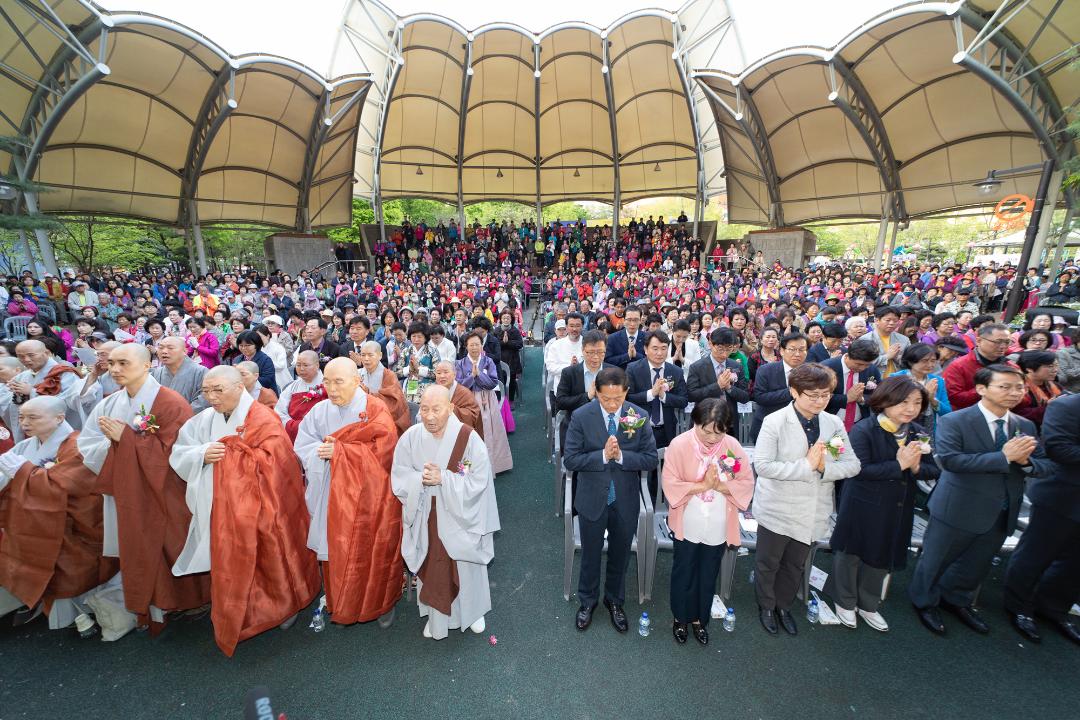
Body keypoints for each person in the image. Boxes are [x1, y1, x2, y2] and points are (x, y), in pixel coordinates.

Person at [169, 366, 319, 656]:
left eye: (218, 390)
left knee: (272, 554)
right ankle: (237, 610)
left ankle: (284, 606)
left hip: (263, 505)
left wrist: (233, 455)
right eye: (206, 391)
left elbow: (278, 462)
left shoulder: (263, 418)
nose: (211, 398)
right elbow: (181, 450)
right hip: (220, 505)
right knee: (229, 557)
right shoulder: (203, 420)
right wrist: (203, 454)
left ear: (240, 388)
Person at [909, 364, 1053, 637]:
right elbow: (951, 461)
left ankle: (957, 600)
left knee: (978, 561)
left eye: (1019, 387)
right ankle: (924, 601)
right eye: (1004, 386)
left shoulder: (1024, 425)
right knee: (937, 559)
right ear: (981, 389)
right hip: (959, 505)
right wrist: (1004, 457)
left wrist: (1025, 462)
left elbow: (1044, 466)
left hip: (1002, 507)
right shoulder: (957, 420)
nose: (1013, 393)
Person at [77, 344, 210, 636]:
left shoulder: (170, 402)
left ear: (147, 365)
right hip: (130, 490)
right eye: (111, 363)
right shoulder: (110, 403)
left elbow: (179, 451)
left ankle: (191, 600)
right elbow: (88, 445)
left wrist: (126, 439)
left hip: (166, 490)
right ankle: (156, 602)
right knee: (139, 544)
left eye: (123, 363)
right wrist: (121, 442)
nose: (114, 369)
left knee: (173, 542)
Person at [752, 363, 860, 636]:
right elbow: (763, 466)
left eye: (825, 395)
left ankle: (784, 605)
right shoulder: (775, 421)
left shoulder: (832, 423)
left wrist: (824, 468)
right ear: (794, 392)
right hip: (778, 505)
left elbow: (850, 464)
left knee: (795, 563)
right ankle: (766, 605)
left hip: (812, 507)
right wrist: (806, 466)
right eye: (813, 395)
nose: (820, 401)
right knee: (769, 562)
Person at [294, 357, 401, 627]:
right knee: (336, 546)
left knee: (374, 548)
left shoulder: (375, 409)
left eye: (338, 381)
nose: (331, 388)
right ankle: (340, 601)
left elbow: (385, 452)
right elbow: (303, 444)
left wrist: (341, 453)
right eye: (327, 381)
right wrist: (324, 454)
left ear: (357, 381)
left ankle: (381, 604)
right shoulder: (319, 411)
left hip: (370, 495)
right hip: (331, 493)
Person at [827, 376, 940, 631]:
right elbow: (859, 468)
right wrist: (898, 465)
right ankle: (845, 601)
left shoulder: (918, 433)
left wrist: (917, 466)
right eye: (903, 402)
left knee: (881, 554)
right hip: (862, 502)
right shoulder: (865, 429)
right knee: (851, 552)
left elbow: (932, 469)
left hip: (897, 505)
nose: (910, 409)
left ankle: (868, 603)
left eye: (916, 403)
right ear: (885, 401)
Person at [0, 396, 118, 634]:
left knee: (63, 555)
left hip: (75, 520)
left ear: (59, 418)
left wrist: (24, 472)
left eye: (33, 417)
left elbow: (74, 485)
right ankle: (69, 612)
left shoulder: (77, 444)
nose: (25, 423)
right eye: (22, 417)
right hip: (39, 518)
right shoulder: (25, 446)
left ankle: (88, 608)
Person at [392, 385, 500, 640]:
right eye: (425, 409)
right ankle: (435, 616)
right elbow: (399, 475)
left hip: (460, 515)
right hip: (426, 514)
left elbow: (477, 479)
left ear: (450, 409)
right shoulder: (411, 437)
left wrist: (445, 479)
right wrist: (420, 480)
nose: (429, 416)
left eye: (436, 409)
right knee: (432, 563)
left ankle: (473, 612)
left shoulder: (467, 438)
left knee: (466, 566)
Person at [563, 367, 658, 633]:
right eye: (606, 399)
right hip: (592, 496)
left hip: (625, 498)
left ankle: (614, 600)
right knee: (590, 553)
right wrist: (603, 456)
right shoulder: (582, 416)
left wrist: (622, 458)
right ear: (597, 392)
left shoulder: (638, 416)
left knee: (620, 553)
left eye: (618, 399)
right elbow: (570, 459)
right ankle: (587, 601)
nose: (613, 405)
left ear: (626, 392)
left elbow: (650, 459)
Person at [661, 398, 754, 646]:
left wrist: (720, 486)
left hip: (718, 520)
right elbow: (669, 482)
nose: (713, 438)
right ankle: (680, 618)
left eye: (719, 432)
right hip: (688, 517)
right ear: (696, 422)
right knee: (684, 569)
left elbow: (746, 481)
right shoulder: (679, 445)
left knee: (708, 571)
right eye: (707, 431)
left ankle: (700, 620)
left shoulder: (732, 447)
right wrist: (702, 486)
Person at [1003, 393, 1080, 645]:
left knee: (1074, 563)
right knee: (1036, 554)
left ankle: (1054, 608)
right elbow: (1058, 448)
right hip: (1062, 495)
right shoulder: (1066, 405)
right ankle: (1019, 606)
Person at [6, 339, 86, 441]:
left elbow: (71, 402)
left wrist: (32, 392)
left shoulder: (64, 373)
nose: (26, 359)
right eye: (21, 356)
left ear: (46, 353)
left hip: (60, 430)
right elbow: (14, 405)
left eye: (31, 355)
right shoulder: (22, 376)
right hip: (32, 430)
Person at [456, 332, 512, 474]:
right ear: (466, 346)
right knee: (468, 434)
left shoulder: (488, 361)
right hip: (467, 401)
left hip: (487, 399)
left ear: (482, 346)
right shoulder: (460, 363)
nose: (474, 348)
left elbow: (493, 382)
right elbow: (460, 386)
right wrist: (472, 377)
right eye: (471, 345)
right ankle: (467, 469)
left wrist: (479, 375)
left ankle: (493, 466)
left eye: (477, 344)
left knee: (489, 432)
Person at [627, 331, 688, 452]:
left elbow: (683, 401)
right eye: (655, 348)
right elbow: (627, 398)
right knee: (641, 468)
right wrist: (651, 394)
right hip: (639, 429)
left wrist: (664, 396)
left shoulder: (676, 371)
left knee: (662, 467)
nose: (659, 353)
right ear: (645, 349)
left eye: (664, 348)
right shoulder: (633, 369)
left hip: (665, 430)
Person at [554, 330, 612, 451]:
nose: (596, 357)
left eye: (601, 352)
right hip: (577, 428)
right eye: (590, 352)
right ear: (582, 350)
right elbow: (560, 402)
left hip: (608, 427)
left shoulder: (613, 373)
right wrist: (587, 396)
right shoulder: (569, 372)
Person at [750, 332, 809, 441]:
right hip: (767, 428)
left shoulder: (811, 373)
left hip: (799, 429)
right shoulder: (766, 370)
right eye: (792, 349)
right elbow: (759, 397)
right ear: (782, 351)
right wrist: (790, 392)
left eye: (801, 350)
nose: (797, 354)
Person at [686, 326, 750, 423]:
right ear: (710, 344)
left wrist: (729, 388)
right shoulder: (697, 367)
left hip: (729, 421)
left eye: (729, 349)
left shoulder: (736, 366)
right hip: (704, 420)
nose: (724, 354)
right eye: (720, 349)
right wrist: (718, 386)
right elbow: (691, 395)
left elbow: (745, 397)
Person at [942, 322, 1011, 410]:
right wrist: (987, 388)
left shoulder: (1010, 366)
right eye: (997, 342)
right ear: (978, 341)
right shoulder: (959, 366)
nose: (1003, 346)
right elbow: (954, 398)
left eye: (1007, 342)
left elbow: (1024, 398)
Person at [823, 338, 882, 434]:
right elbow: (816, 396)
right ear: (848, 356)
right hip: (830, 423)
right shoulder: (827, 368)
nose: (863, 368)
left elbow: (878, 395)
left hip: (859, 424)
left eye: (867, 365)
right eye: (858, 364)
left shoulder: (872, 369)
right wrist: (847, 398)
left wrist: (862, 399)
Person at [358, 340, 411, 435]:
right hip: (359, 418)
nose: (366, 359)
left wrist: (368, 394)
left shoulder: (388, 375)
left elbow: (395, 403)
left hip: (383, 422)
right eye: (363, 355)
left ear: (380, 355)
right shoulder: (357, 373)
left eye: (370, 355)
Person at [274, 350, 324, 441]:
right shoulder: (293, 386)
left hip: (318, 433)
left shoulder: (326, 386)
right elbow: (279, 411)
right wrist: (292, 425)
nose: (301, 369)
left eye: (305, 365)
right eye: (298, 365)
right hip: (293, 430)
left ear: (317, 365)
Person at [151, 336, 208, 412]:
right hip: (161, 420)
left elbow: (205, 399)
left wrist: (180, 416)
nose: (164, 351)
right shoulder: (156, 373)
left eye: (170, 348)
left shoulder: (201, 372)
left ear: (184, 351)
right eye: (160, 348)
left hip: (191, 420)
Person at [433, 361, 483, 439]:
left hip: (459, 436)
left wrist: (451, 410)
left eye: (446, 372)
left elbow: (473, 416)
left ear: (454, 374)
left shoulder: (464, 393)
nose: (442, 376)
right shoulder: (432, 391)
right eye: (438, 373)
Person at [1013, 350, 1062, 429]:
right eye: (1050, 366)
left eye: (1056, 365)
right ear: (1030, 369)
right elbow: (1018, 414)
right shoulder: (1019, 389)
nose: (1055, 369)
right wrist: (1049, 407)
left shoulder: (1054, 385)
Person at [865, 306, 909, 378]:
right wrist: (887, 357)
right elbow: (863, 362)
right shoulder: (866, 339)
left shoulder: (904, 340)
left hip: (898, 380)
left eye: (895, 321)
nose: (891, 323)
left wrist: (898, 358)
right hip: (875, 380)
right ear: (877, 321)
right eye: (888, 320)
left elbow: (909, 362)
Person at [231, 330, 278, 396]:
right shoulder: (237, 359)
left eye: (247, 345)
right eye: (241, 345)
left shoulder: (265, 360)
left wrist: (247, 376)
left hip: (263, 395)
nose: (244, 348)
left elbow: (268, 380)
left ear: (256, 345)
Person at [544, 312, 584, 379]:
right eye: (571, 326)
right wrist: (569, 367)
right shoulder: (556, 345)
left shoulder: (588, 343)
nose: (574, 329)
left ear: (582, 326)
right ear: (567, 327)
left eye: (577, 326)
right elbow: (550, 367)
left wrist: (579, 367)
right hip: (561, 385)